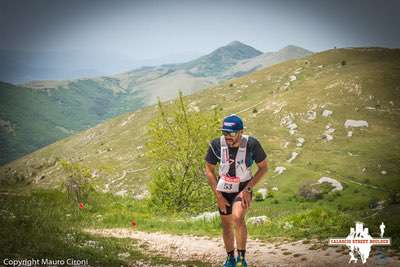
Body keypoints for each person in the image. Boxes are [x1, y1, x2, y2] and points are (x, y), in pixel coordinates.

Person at [204, 114, 268, 267]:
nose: (227, 137)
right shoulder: (216, 144)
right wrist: (218, 196)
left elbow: (263, 167)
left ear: (241, 131)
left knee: (238, 217)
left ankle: (241, 258)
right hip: (223, 189)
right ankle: (230, 258)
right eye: (224, 133)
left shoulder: (252, 144)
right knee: (226, 224)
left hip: (243, 187)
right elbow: (208, 169)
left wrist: (248, 188)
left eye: (231, 133)